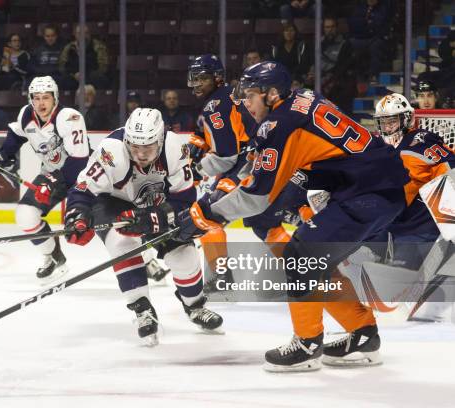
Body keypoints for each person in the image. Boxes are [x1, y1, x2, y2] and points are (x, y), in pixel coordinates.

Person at [176, 61, 410, 372]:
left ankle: (307, 343)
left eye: (250, 96)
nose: (245, 103)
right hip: (376, 185)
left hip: (367, 193)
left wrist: (207, 212)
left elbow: (256, 197)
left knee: (302, 254)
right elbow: (271, 160)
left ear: (272, 94)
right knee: (314, 261)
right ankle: (363, 335)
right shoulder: (302, 99)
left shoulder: (279, 124)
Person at [64, 108, 224, 345]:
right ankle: (142, 309)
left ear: (159, 141)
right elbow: (82, 190)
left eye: (147, 147)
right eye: (134, 146)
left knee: (183, 254)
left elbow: (185, 200)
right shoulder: (111, 151)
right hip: (112, 201)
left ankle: (195, 306)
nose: (139, 153)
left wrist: (154, 217)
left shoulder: (174, 149)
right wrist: (77, 215)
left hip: (156, 203)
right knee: (122, 243)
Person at [0, 76, 89, 279]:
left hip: (84, 177)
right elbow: (16, 134)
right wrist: (1, 157)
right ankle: (54, 257)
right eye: (36, 98)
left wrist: (53, 183)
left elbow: (80, 161)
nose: (40, 103)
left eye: (46, 97)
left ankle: (147, 261)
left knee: (106, 221)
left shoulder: (69, 117)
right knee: (25, 215)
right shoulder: (27, 114)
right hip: (52, 174)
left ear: (55, 98)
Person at [373, 93, 455, 321]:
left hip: (422, 226)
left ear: (407, 119)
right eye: (384, 122)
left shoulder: (420, 140)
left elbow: (448, 166)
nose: (388, 127)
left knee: (403, 283)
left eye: (393, 121)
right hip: (394, 225)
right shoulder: (379, 148)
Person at [186, 54, 255, 287]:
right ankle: (304, 272)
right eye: (193, 79)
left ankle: (222, 278)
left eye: (201, 79)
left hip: (246, 164)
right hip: (264, 158)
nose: (196, 84)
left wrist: (197, 169)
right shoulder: (225, 96)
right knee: (268, 225)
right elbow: (201, 133)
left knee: (204, 215)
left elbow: (226, 156)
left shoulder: (214, 106)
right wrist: (196, 145)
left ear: (217, 78)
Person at [58, 24, 109, 90]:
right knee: (63, 80)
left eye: (86, 33)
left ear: (89, 34)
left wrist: (86, 75)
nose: (83, 36)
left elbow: (103, 66)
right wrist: (74, 74)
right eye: (80, 33)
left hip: (91, 76)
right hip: (74, 77)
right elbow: (62, 66)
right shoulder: (69, 47)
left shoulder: (98, 46)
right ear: (75, 35)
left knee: (101, 79)